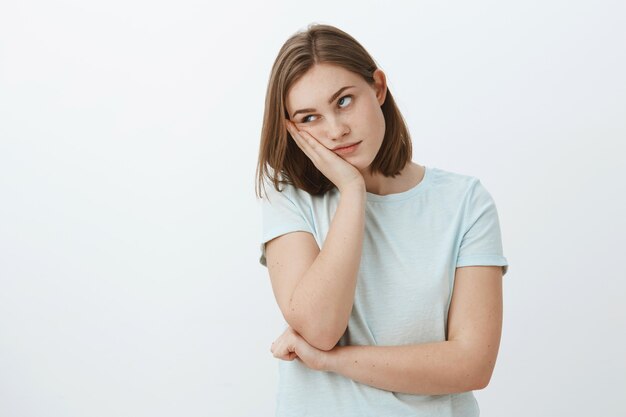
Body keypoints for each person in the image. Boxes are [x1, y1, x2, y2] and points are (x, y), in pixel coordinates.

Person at [255, 23, 509, 417]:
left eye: (343, 101)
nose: (336, 130)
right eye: (309, 118)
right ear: (291, 128)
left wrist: (333, 361)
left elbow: (472, 364)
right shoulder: (289, 197)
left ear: (377, 87)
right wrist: (353, 193)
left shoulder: (464, 202)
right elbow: (320, 328)